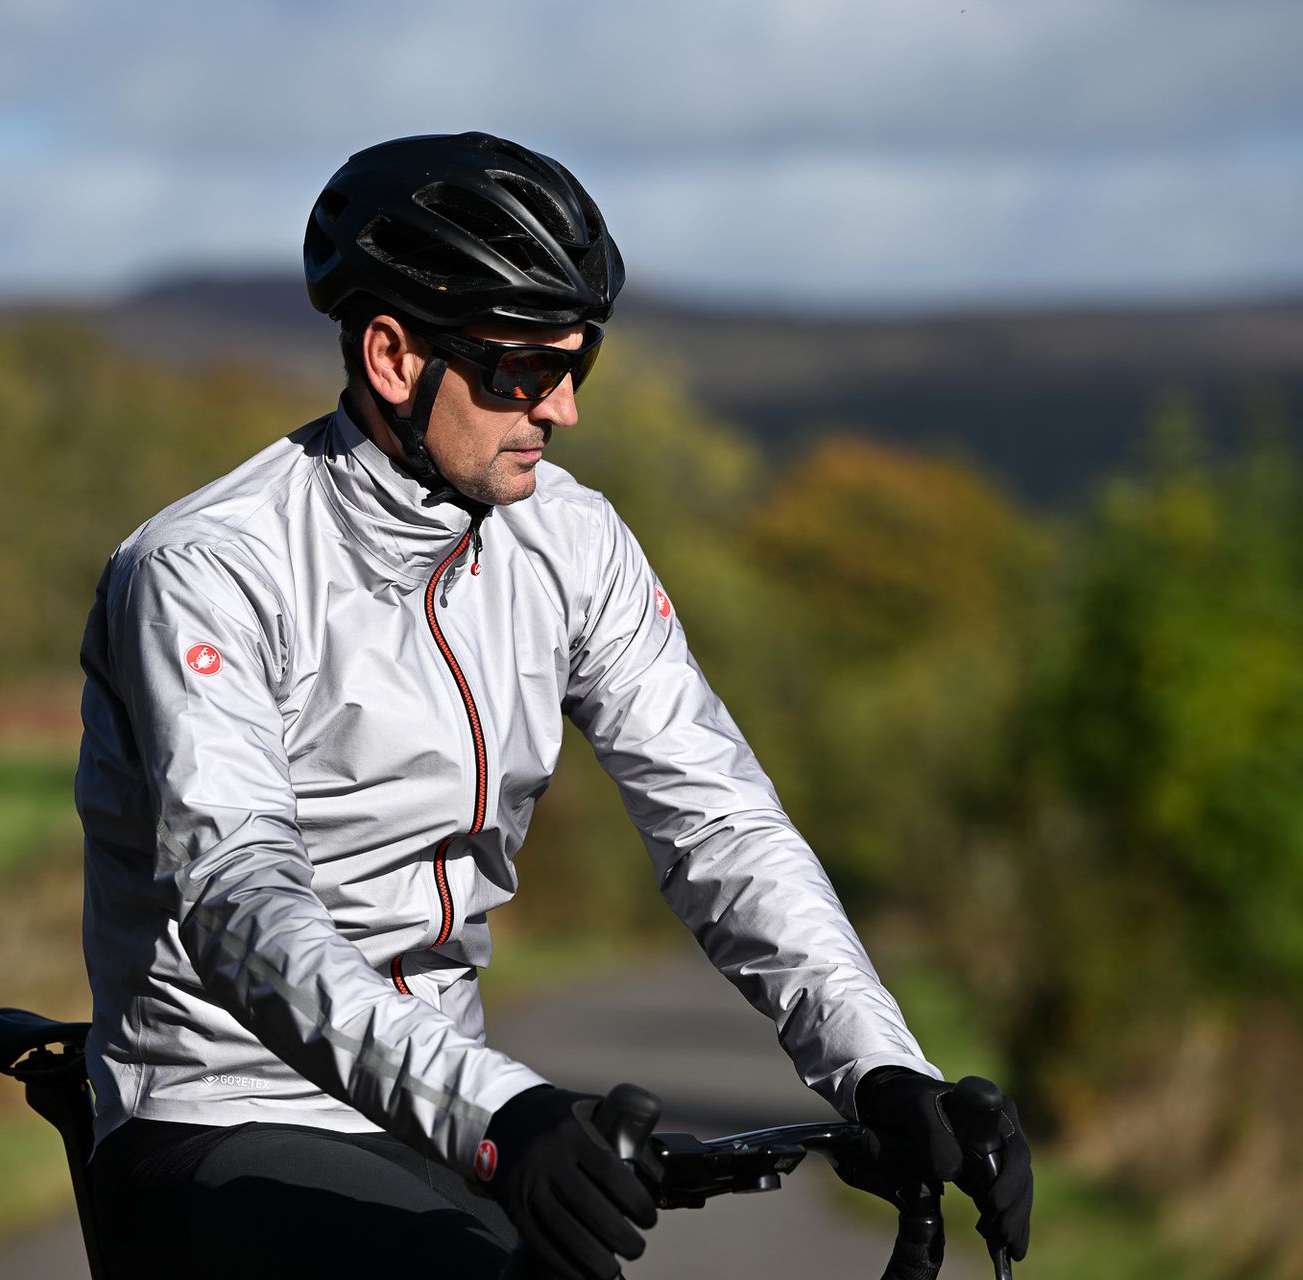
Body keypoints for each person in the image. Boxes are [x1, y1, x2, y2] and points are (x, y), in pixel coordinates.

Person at [76, 131, 1033, 1279]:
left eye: (581, 366)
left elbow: (717, 819)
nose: (564, 408)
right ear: (392, 355)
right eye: (525, 371)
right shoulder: (206, 568)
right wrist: (502, 1110)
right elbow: (240, 897)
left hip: (442, 1112)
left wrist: (880, 1068)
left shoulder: (569, 541)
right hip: (216, 1110)